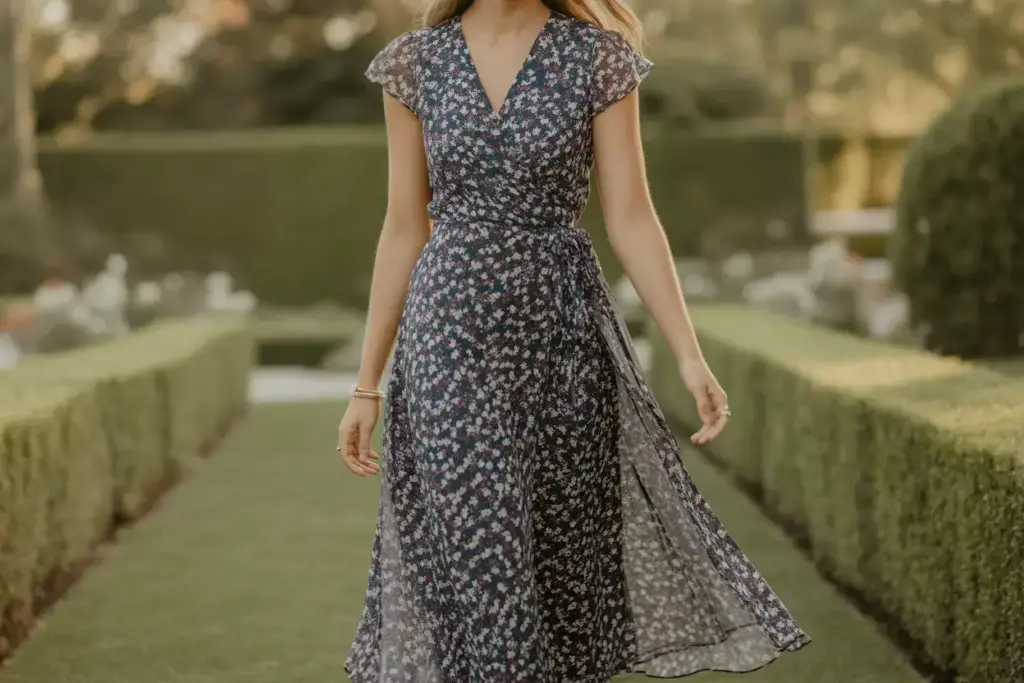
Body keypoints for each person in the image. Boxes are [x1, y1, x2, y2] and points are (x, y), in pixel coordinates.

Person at [338, 0, 811, 680]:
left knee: (561, 582)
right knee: (485, 560)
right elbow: (405, 227)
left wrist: (688, 353)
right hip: (449, 340)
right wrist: (366, 383)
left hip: (563, 341)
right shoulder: (418, 63)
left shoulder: (598, 58)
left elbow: (631, 216)